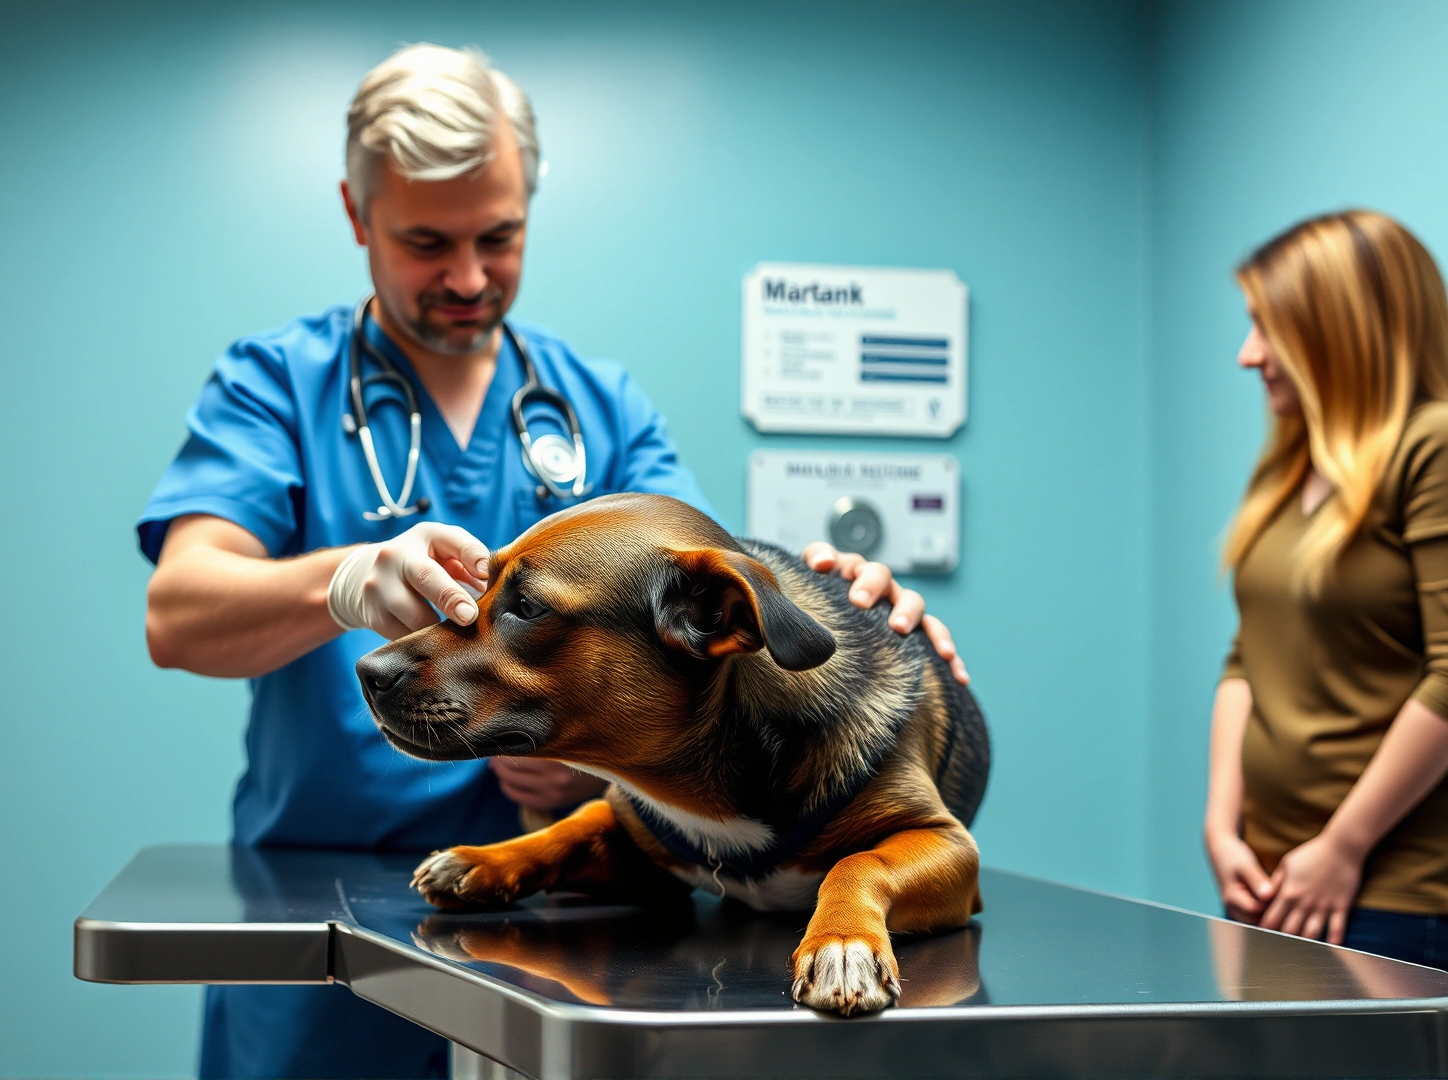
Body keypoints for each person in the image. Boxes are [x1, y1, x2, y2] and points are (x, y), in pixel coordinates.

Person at [137, 44, 970, 1079]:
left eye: (500, 236)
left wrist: (842, 610)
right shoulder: (277, 383)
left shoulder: (597, 404)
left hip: (582, 919)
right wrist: (344, 579)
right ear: (357, 219)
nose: (470, 276)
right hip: (326, 911)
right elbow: (177, 614)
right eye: (426, 243)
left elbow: (710, 594)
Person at [1203, 208, 1448, 978]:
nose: (1248, 357)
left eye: (1267, 329)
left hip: (1387, 889)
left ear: (1338, 331)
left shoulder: (1445, 443)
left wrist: (1342, 847)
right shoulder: (1293, 465)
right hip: (1270, 877)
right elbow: (1251, 655)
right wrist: (1221, 826)